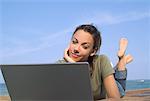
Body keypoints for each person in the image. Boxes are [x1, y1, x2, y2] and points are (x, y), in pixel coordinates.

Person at [57, 24, 133, 100]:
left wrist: (73, 64)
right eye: (74, 42)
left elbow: (115, 98)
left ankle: (122, 60)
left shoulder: (101, 61)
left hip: (112, 87)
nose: (76, 49)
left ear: (93, 51)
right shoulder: (58, 66)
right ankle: (120, 63)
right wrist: (71, 63)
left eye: (85, 47)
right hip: (105, 76)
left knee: (121, 91)